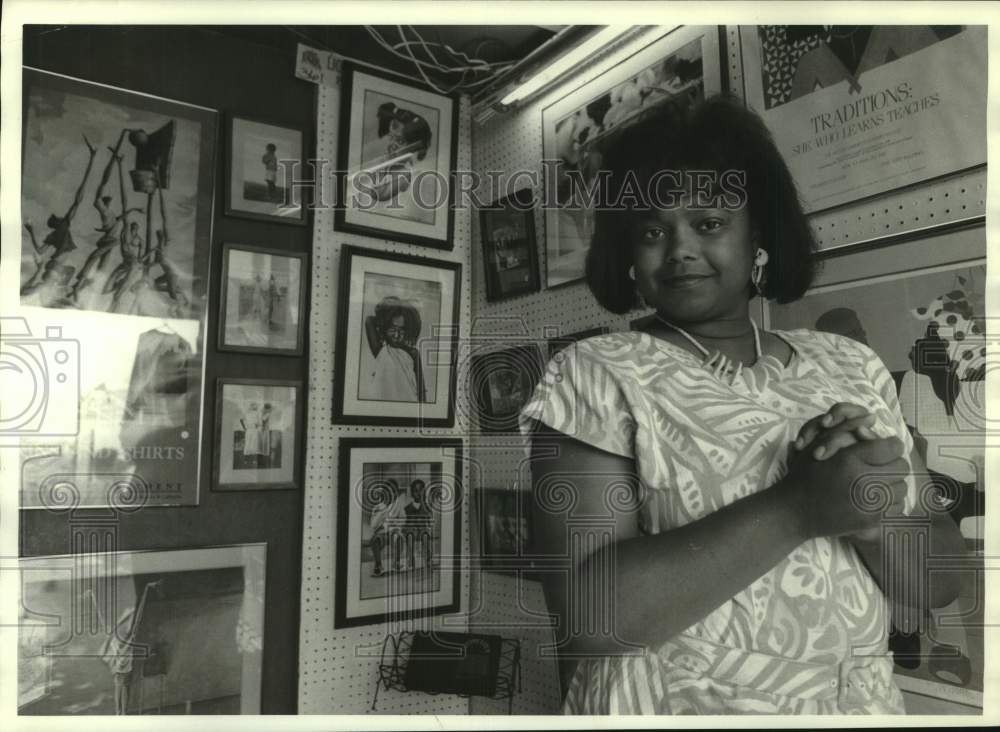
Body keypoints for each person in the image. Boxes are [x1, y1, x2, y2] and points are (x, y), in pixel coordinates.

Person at [519, 94, 964, 715]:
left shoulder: (850, 366)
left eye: (708, 223)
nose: (678, 249)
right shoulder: (595, 375)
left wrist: (869, 517)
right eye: (651, 230)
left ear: (759, 233)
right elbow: (589, 617)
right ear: (625, 251)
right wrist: (797, 508)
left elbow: (942, 582)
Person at [359, 296, 426, 403]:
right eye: (392, 329)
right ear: (384, 328)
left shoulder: (413, 353)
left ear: (409, 330)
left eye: (402, 331)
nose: (396, 335)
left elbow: (421, 389)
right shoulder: (380, 350)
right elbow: (369, 320)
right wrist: (385, 316)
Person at [368, 479, 411, 576]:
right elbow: (373, 525)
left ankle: (396, 562)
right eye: (388, 491)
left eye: (393, 491)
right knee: (374, 541)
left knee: (399, 538)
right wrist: (382, 513)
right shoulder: (378, 507)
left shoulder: (399, 505)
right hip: (382, 533)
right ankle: (378, 565)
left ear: (396, 493)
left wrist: (397, 527)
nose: (390, 494)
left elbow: (403, 518)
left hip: (393, 531)